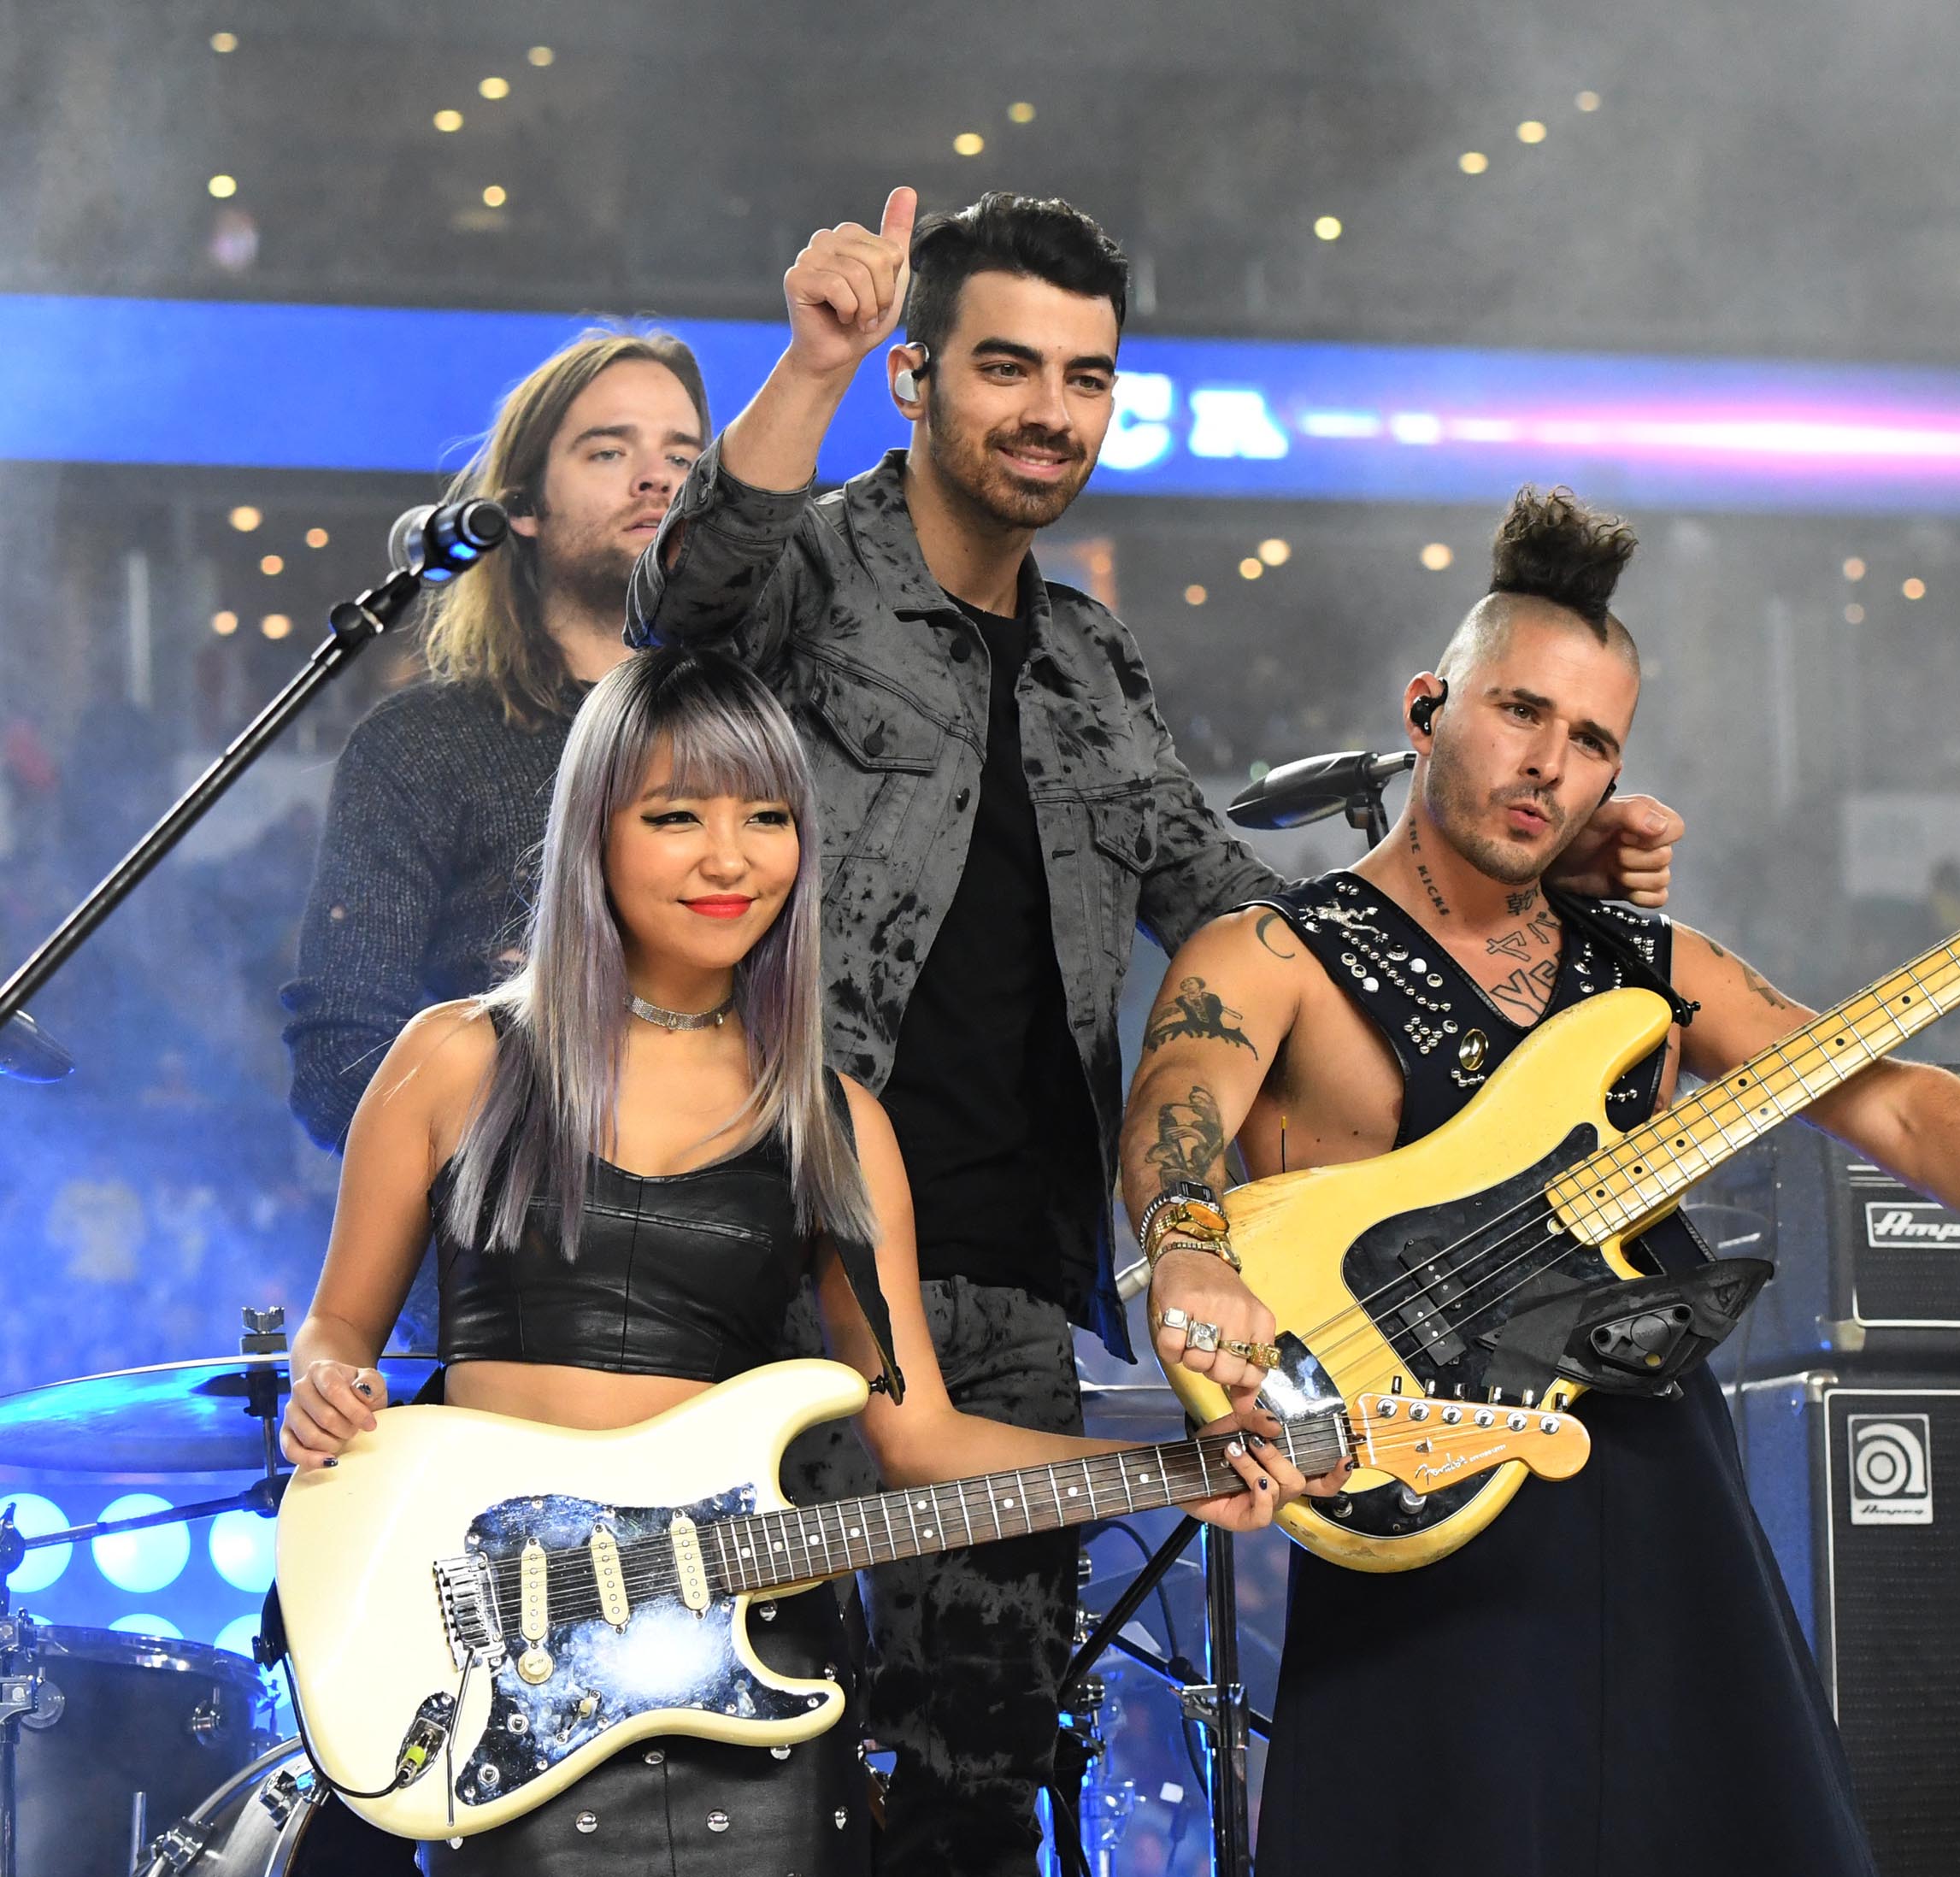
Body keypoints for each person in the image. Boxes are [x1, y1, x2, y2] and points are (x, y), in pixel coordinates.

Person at [627, 185, 1683, 1874]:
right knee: (724, 1783)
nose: (1053, 411)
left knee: (974, 1788)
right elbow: (672, 617)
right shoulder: (816, 568)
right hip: (773, 1249)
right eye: (1009, 368)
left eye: (1090, 377)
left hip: (1011, 1301)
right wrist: (805, 368)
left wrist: (1505, 849)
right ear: (917, 377)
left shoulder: (1093, 663)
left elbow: (1218, 897)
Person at [1120, 486, 1960, 1876]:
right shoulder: (1271, 949)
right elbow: (1178, 1101)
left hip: (1657, 1495)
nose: (1549, 762)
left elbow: (1898, 1101)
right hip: (1417, 1520)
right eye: (1519, 711)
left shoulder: (1649, 966)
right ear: (1430, 708)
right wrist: (1189, 1249)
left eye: (1592, 739)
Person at [279, 648, 1324, 1874]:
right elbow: (337, 1329)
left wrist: (1168, 1474)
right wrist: (326, 1378)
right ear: (593, 831)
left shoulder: (833, 1124)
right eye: (677, 816)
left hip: (746, 1689)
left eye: (765, 817)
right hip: (512, 1680)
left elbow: (918, 1436)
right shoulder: (452, 1059)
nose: (730, 858)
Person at [282, 328, 709, 1155]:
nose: (657, 477)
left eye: (685, 459)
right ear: (519, 507)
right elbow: (341, 1059)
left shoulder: (750, 733)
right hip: (495, 1262)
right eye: (608, 451)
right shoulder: (421, 745)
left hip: (735, 1269)